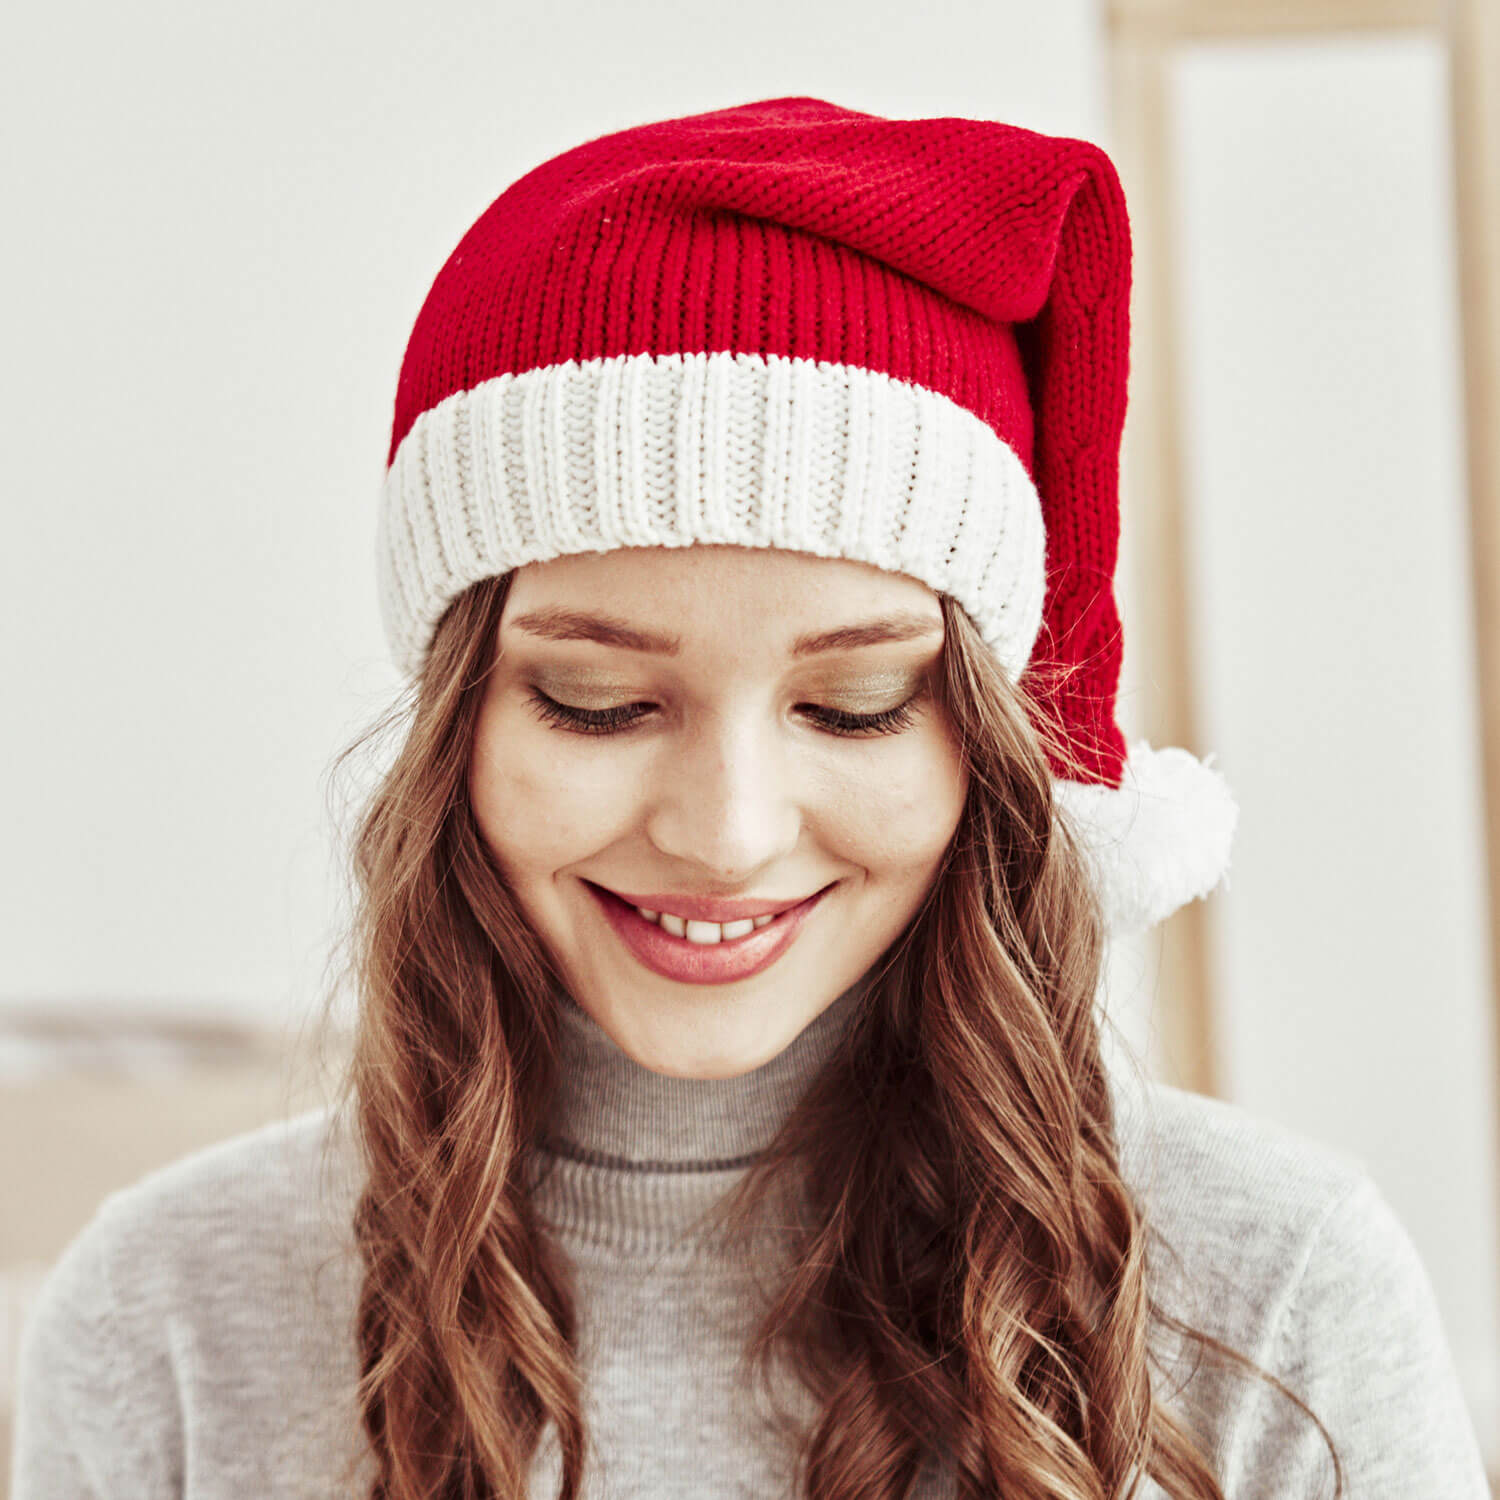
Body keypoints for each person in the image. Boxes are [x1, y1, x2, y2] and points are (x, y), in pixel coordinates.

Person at [10, 95, 1489, 1500]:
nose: (727, 833)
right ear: (459, 724)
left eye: (852, 707)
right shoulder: (168, 1320)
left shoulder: (1277, 1288)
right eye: (600, 705)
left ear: (978, 741)